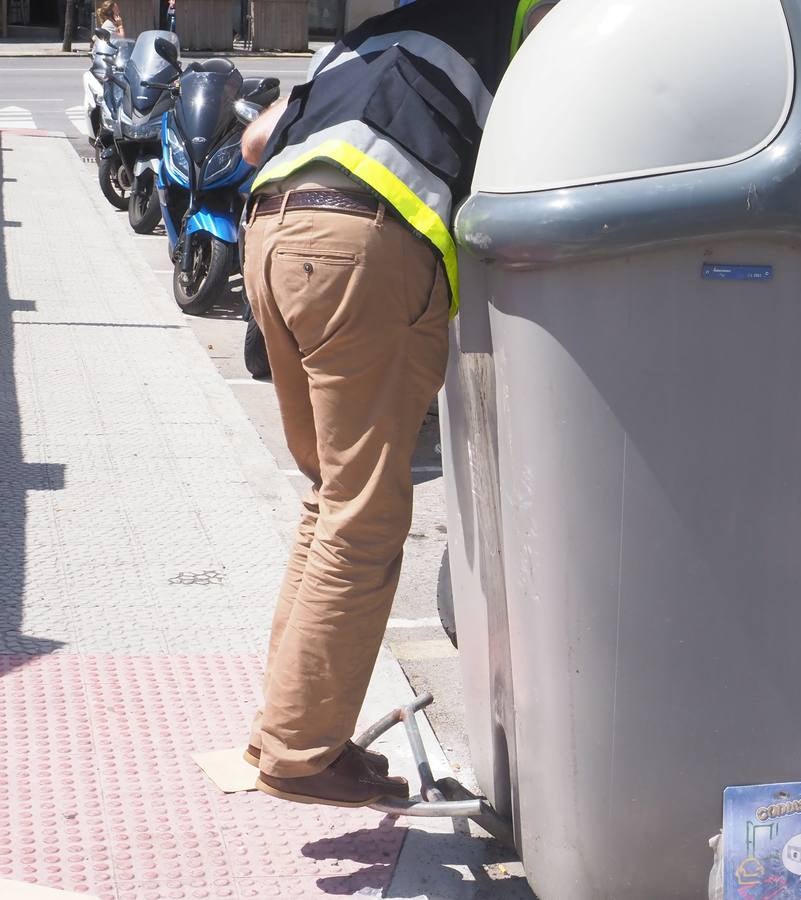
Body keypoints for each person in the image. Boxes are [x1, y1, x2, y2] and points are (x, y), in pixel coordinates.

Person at [238, 0, 547, 807]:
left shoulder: (364, 39)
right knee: (365, 513)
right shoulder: (524, 24)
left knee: (331, 502)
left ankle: (284, 730)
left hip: (271, 236)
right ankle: (302, 754)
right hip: (363, 249)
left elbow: (251, 140)